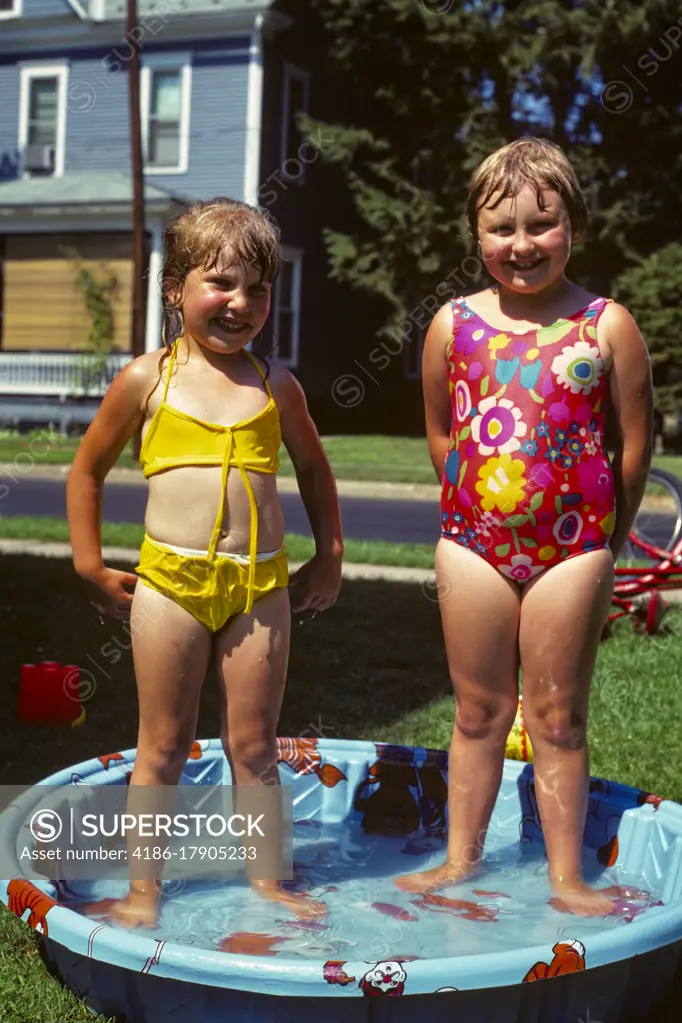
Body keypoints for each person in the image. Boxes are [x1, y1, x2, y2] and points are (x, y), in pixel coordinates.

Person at [67, 198, 343, 927]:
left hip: (260, 586)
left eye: (257, 287)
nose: (240, 302)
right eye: (220, 282)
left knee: (253, 744)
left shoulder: (275, 384)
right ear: (175, 288)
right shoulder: (146, 380)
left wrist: (330, 555)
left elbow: (314, 471)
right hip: (171, 585)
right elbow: (86, 472)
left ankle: (267, 886)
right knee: (160, 743)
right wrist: (90, 565)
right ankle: (142, 892)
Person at [396, 137, 653, 917]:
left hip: (572, 550)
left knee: (557, 717)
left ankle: (567, 875)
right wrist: (472, 504)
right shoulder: (452, 323)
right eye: (500, 227)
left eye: (541, 224)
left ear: (574, 224)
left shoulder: (605, 326)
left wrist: (608, 541)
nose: (520, 244)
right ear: (475, 233)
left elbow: (633, 444)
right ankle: (459, 859)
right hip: (472, 543)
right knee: (477, 711)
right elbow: (443, 433)